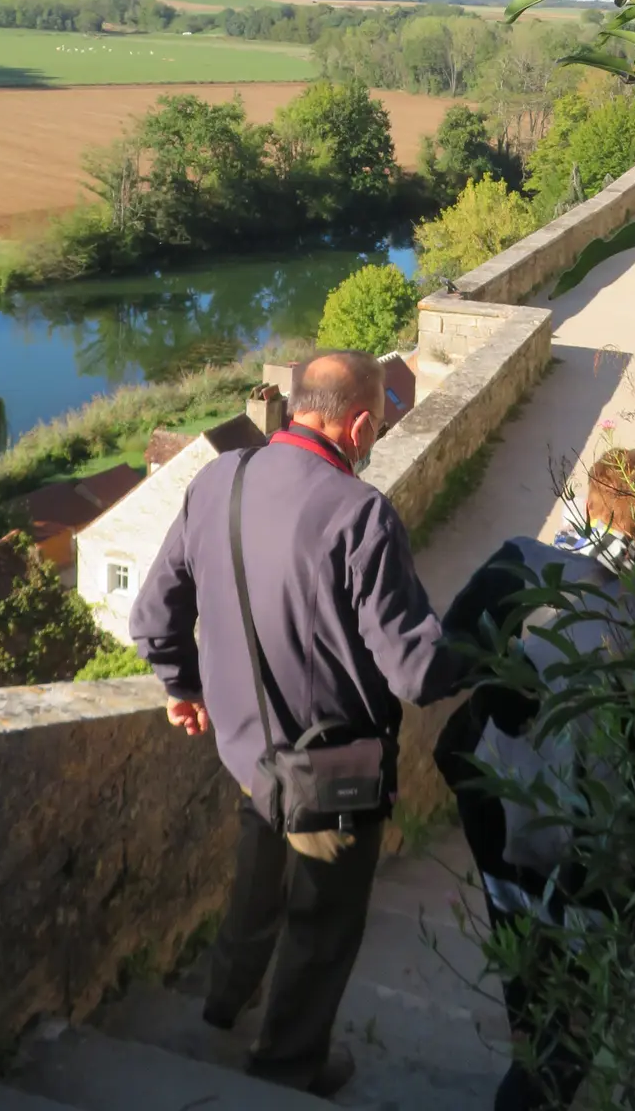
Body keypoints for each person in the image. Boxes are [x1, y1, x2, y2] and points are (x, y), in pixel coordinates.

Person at [129, 348, 461, 1099]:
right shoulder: (360, 513)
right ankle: (286, 1066)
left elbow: (152, 618)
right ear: (362, 424)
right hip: (334, 771)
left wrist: (181, 684)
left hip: (250, 752)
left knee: (257, 878)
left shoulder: (219, 480)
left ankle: (224, 1004)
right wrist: (482, 644)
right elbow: (417, 673)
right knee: (322, 923)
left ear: (294, 404)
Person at [436, 446, 635, 1111]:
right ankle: (529, 1094)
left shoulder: (520, 562)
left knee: (521, 946)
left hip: (498, 805)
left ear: (589, 499)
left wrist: (512, 684)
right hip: (593, 838)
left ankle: (527, 1061)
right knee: (582, 993)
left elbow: (443, 658)